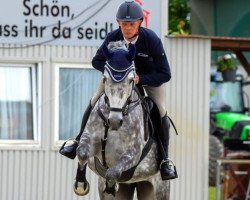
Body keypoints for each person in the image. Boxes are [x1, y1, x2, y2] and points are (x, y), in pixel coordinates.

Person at [60, 0, 177, 180]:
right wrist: (115, 72)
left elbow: (165, 73)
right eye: (124, 24)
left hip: (147, 79)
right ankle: (77, 141)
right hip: (118, 81)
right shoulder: (113, 37)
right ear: (118, 22)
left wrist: (141, 78)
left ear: (139, 22)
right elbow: (96, 61)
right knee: (94, 101)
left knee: (161, 111)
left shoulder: (151, 39)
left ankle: (165, 160)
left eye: (131, 24)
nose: (127, 28)